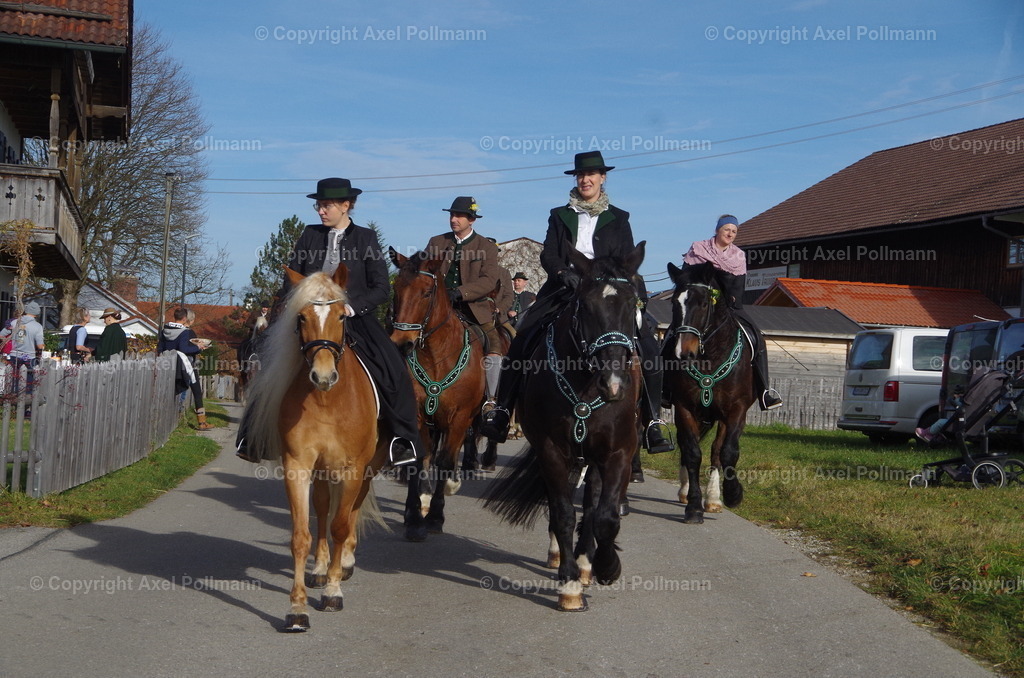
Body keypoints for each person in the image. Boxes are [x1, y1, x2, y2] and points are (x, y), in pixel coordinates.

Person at [481, 151, 674, 453]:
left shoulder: (619, 218)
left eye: (591, 175)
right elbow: (549, 254)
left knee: (647, 342)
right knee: (525, 332)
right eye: (580, 176)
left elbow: (625, 259)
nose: (585, 180)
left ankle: (652, 421)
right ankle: (503, 410)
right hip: (565, 287)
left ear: (602, 178)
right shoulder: (560, 214)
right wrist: (561, 273)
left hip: (607, 291)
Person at [236, 177, 420, 466]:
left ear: (346, 206)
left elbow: (381, 288)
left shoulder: (366, 238)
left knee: (393, 367)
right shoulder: (309, 235)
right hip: (310, 318)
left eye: (327, 206)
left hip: (351, 317)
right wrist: (296, 306)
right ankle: (252, 437)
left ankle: (402, 439)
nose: (320, 211)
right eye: (319, 205)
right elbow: (291, 277)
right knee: (269, 362)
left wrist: (351, 308)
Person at [682, 214, 783, 410]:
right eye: (727, 229)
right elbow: (686, 277)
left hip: (729, 306)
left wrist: (730, 297)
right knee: (673, 334)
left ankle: (764, 392)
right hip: (697, 304)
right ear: (717, 230)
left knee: (757, 337)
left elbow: (739, 287)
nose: (730, 233)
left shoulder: (738, 256)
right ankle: (666, 389)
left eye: (734, 231)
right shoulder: (698, 249)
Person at [423, 197, 503, 411]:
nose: (453, 219)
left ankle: (490, 399)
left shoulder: (486, 247)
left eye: (459, 215)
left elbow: (488, 281)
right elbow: (425, 271)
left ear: (472, 219)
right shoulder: (436, 242)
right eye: (452, 214)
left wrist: (460, 292)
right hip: (438, 308)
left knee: (494, 346)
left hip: (473, 309)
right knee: (407, 337)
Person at [159, 307, 213, 431]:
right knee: (196, 391)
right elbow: (184, 349)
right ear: (184, 319)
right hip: (185, 364)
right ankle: (201, 422)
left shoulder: (165, 330)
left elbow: (160, 347)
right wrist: (199, 348)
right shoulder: (185, 332)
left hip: (167, 363)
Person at [8, 301, 45, 398]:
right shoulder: (38, 326)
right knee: (28, 383)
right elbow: (40, 345)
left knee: (13, 380)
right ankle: (26, 407)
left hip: (13, 355)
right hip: (29, 357)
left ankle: (12, 403)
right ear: (37, 313)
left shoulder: (14, 322)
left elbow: (2, 334)